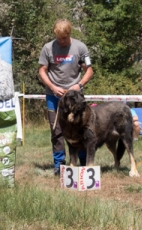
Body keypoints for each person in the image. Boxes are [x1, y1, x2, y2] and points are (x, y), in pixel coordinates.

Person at [38, 19, 94, 175]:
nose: (62, 41)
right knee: (56, 131)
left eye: (65, 38)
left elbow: (89, 70)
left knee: (80, 129)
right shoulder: (48, 48)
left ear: (69, 34)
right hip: (54, 96)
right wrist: (53, 87)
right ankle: (60, 165)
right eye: (59, 38)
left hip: (75, 98)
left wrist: (79, 85)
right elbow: (42, 71)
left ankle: (83, 163)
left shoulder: (80, 47)